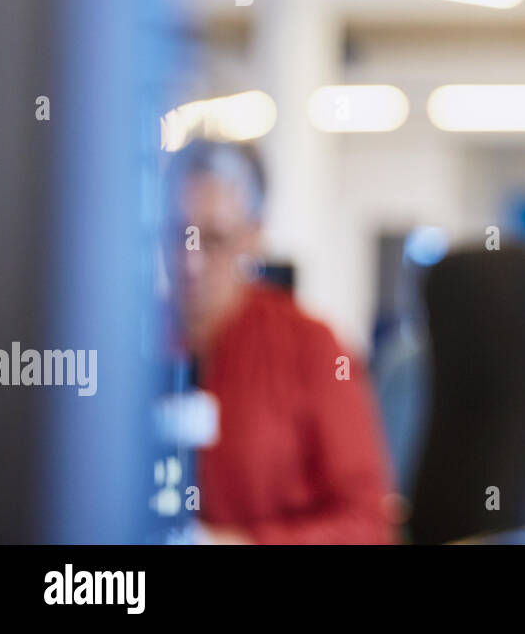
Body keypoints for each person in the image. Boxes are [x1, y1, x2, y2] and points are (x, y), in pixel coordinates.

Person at [166, 139, 397, 544]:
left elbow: (367, 525)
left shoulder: (312, 348)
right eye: (176, 235)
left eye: (215, 239)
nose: (191, 262)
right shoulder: (130, 347)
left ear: (253, 237)